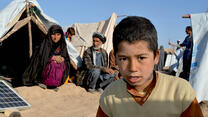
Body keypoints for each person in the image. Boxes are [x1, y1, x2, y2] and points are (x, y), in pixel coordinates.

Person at [96, 16, 203, 117]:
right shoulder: (109, 96)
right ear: (116, 59)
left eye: (141, 58)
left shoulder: (180, 92)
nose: (133, 68)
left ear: (156, 57)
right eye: (123, 59)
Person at [22, 25, 71, 89]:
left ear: (61, 35)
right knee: (53, 63)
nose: (56, 37)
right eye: (53, 34)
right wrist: (52, 58)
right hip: (43, 71)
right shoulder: (45, 44)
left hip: (56, 72)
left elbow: (66, 58)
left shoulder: (62, 45)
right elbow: (39, 58)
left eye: (58, 34)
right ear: (50, 34)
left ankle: (54, 83)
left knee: (61, 64)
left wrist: (63, 58)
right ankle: (43, 81)